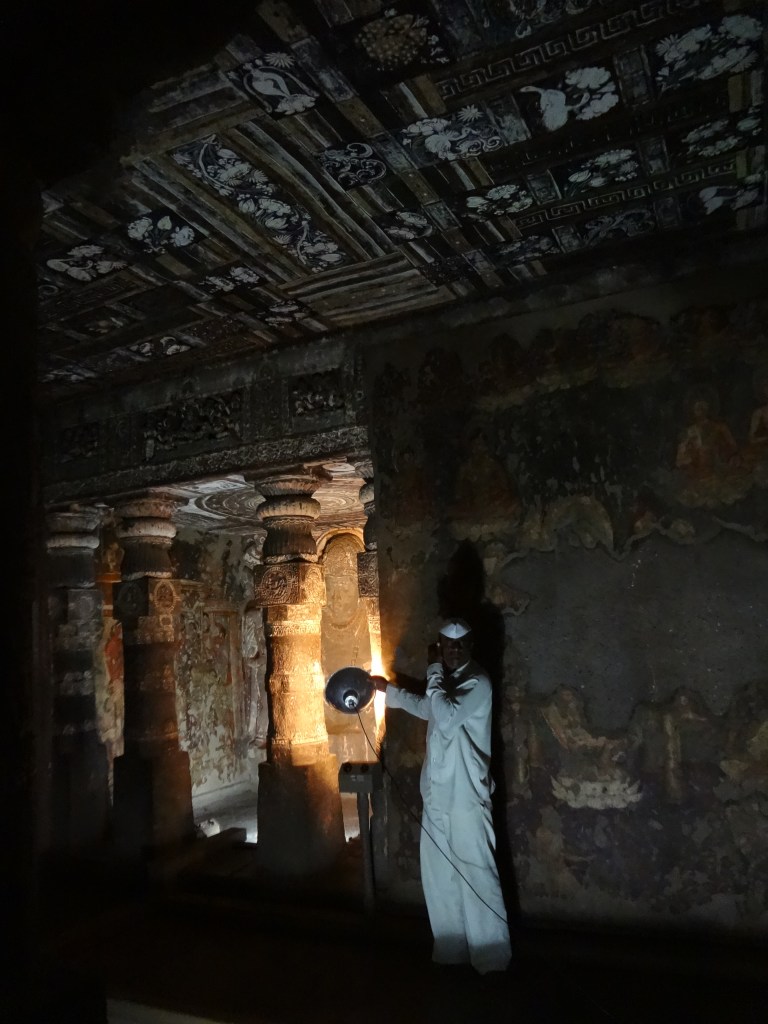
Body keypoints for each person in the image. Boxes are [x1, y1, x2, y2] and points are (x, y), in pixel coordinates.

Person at [376, 618, 511, 974]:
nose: (453, 651)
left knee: (477, 872)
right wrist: (386, 692)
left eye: (460, 645)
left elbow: (447, 717)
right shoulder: (445, 684)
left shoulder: (478, 682)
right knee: (440, 874)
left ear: (470, 646)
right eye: (447, 646)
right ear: (440, 643)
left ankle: (492, 956)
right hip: (436, 794)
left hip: (466, 797)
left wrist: (433, 668)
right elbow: (428, 709)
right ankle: (452, 950)